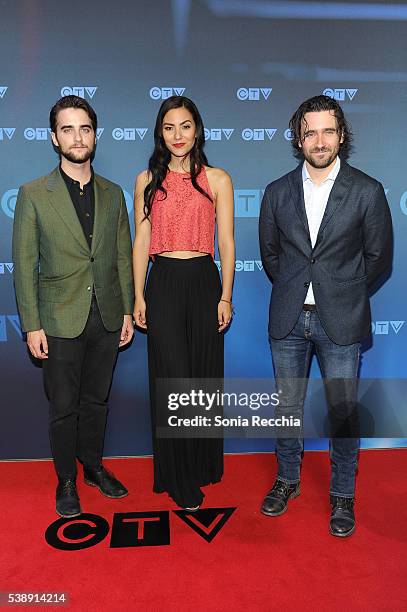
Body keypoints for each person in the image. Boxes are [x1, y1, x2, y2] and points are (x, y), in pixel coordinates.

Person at [258, 94, 392, 536]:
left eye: (328, 131)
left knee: (343, 412)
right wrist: (299, 290)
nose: (319, 140)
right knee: (286, 408)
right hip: (289, 319)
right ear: (298, 139)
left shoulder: (367, 191)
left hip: (341, 320)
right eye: (310, 131)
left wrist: (343, 292)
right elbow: (271, 256)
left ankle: (342, 494)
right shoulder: (277, 192)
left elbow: (378, 259)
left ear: (341, 135)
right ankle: (287, 480)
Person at [12, 95, 134, 518]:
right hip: (58, 318)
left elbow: (122, 257)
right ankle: (66, 480)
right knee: (63, 407)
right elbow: (24, 264)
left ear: (94, 135)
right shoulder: (33, 195)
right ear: (53, 137)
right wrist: (32, 324)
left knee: (96, 400)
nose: (77, 136)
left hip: (105, 316)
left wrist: (124, 312)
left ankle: (93, 467)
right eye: (68, 129)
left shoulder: (114, 194)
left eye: (84, 128)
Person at [133, 95, 235, 511]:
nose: (178, 135)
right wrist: (137, 294)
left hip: (203, 280)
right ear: (161, 131)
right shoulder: (146, 180)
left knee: (202, 380)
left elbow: (226, 242)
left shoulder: (218, 179)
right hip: (164, 283)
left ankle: (200, 463)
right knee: (173, 379)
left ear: (198, 129)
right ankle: (178, 476)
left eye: (186, 126)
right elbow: (141, 241)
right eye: (170, 127)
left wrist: (226, 294)